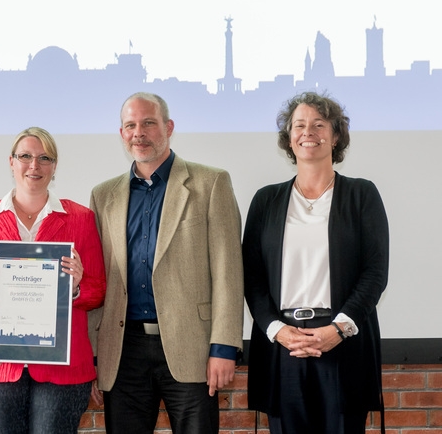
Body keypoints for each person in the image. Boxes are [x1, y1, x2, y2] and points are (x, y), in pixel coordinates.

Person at [89, 92, 244, 434]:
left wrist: (224, 347)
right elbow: (98, 282)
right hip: (123, 353)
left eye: (148, 123)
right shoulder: (104, 196)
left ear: (168, 127)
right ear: (121, 133)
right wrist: (93, 359)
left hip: (193, 349)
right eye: (130, 125)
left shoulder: (210, 183)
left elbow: (228, 274)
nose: (139, 133)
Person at [243, 92, 388, 433]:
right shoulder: (266, 201)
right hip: (284, 347)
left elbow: (375, 273)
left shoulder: (361, 195)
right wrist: (277, 331)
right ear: (289, 138)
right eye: (299, 125)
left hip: (342, 345)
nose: (308, 132)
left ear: (335, 136)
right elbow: (252, 276)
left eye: (319, 125)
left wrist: (338, 329)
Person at [0, 127, 106, 434]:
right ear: (11, 162)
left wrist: (76, 288)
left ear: (55, 166)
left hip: (63, 367)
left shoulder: (81, 219)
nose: (34, 165)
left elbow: (99, 289)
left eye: (44, 158)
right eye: (25, 156)